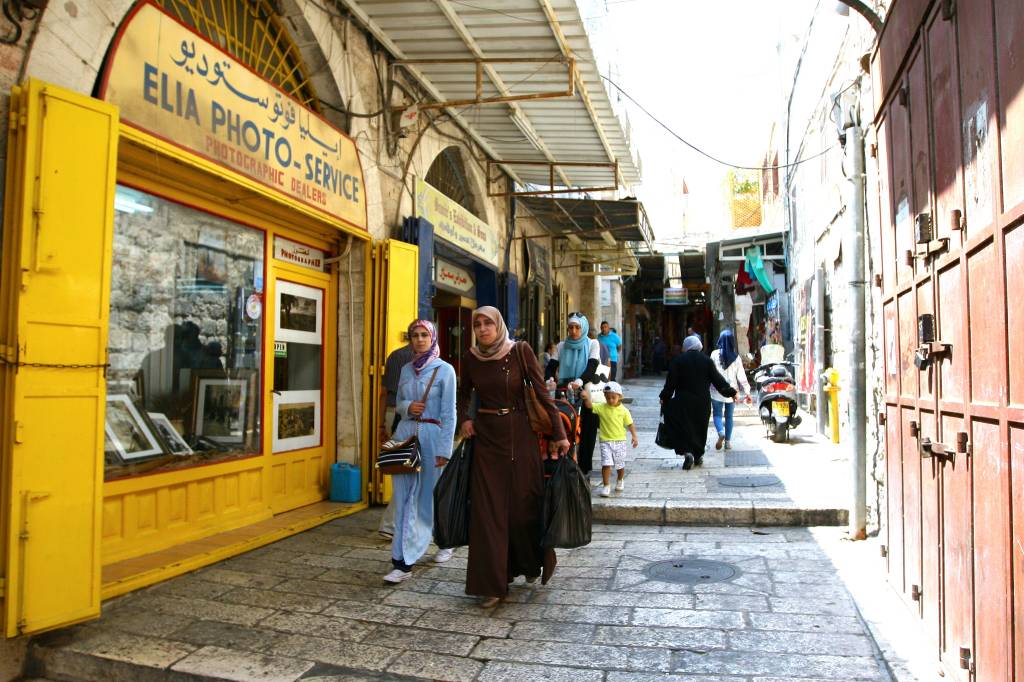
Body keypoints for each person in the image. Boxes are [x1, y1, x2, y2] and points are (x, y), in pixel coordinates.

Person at [458, 306, 569, 608]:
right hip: (487, 439)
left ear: (499, 325)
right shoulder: (471, 358)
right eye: (477, 324)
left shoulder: (520, 351)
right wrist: (465, 420)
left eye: (488, 323)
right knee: (487, 512)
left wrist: (559, 433)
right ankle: (493, 583)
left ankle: (529, 562)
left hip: (520, 436)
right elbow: (464, 393)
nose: (482, 329)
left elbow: (543, 393)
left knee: (522, 507)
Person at [383, 320, 457, 584]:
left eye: (424, 334)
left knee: (427, 498)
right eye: (414, 335)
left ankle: (444, 541)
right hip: (404, 436)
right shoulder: (405, 369)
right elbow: (398, 401)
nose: (419, 339)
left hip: (431, 438)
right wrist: (406, 407)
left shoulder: (445, 370)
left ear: (433, 337)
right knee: (403, 498)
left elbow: (449, 413)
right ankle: (401, 562)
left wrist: (444, 450)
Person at [659, 335, 737, 470]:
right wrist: (731, 392)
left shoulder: (678, 361)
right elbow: (718, 381)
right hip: (702, 402)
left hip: (683, 401)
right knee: (700, 428)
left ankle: (687, 452)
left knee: (684, 427)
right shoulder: (706, 361)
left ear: (686, 346)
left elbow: (670, 384)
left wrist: (664, 397)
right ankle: (698, 455)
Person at [548, 313, 604, 474]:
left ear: (583, 328)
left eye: (577, 327)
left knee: (588, 428)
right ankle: (560, 461)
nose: (573, 331)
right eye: (571, 327)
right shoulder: (561, 346)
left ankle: (584, 467)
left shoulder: (592, 343)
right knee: (563, 426)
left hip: (585, 389)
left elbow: (592, 366)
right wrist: (550, 378)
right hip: (565, 390)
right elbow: (551, 366)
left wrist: (579, 382)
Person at [377, 340, 415, 539]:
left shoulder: (394, 356)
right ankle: (391, 524)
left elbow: (384, 393)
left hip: (393, 414)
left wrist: (380, 424)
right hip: (408, 417)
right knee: (410, 473)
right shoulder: (422, 359)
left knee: (404, 470)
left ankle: (395, 523)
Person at [581, 381, 638, 497]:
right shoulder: (602, 407)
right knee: (606, 464)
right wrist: (586, 397)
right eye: (607, 398)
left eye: (613, 397)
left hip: (620, 441)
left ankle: (620, 479)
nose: (610, 400)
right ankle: (606, 486)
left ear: (620, 397)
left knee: (620, 464)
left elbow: (630, 424)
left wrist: (634, 436)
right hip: (605, 441)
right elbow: (589, 406)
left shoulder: (624, 411)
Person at [710, 329, 752, 451]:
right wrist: (747, 391)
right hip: (732, 392)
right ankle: (728, 442)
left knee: (717, 414)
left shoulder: (713, 354)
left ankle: (720, 432)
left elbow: (709, 372)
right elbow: (741, 376)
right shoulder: (736, 358)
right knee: (729, 417)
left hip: (716, 390)